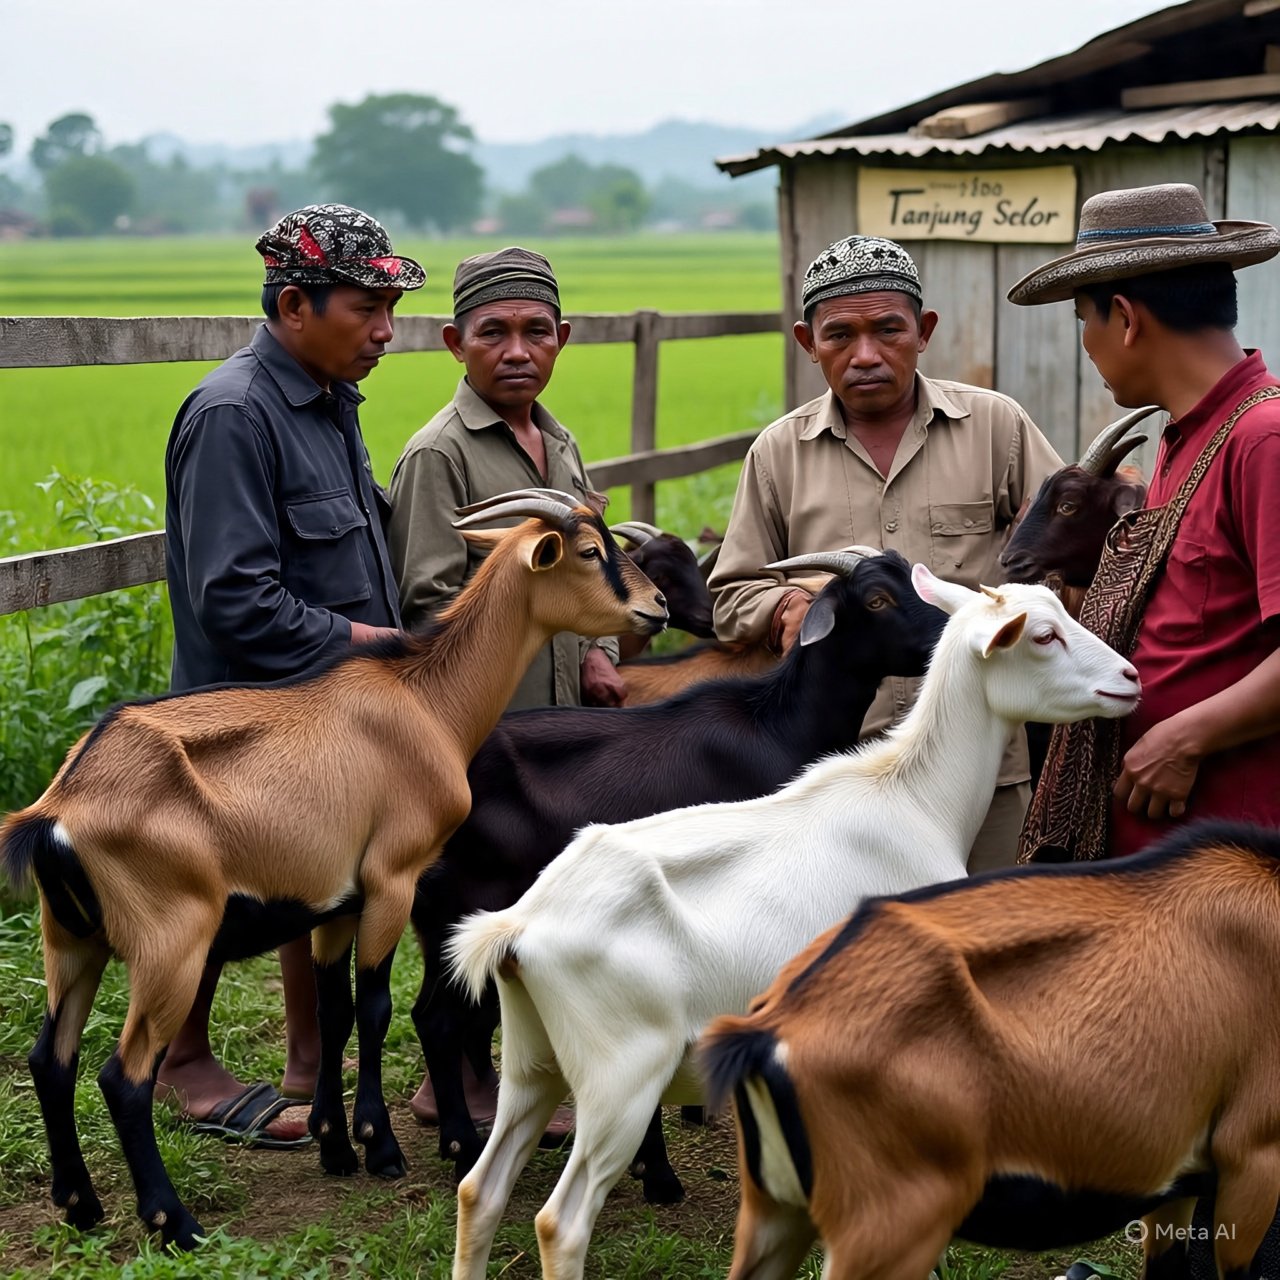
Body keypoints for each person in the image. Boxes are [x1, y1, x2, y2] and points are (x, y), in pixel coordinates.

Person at [1012, 182, 1280, 1280]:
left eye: (1084, 320)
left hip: (1234, 875)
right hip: (1170, 868)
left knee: (1245, 1135)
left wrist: (1185, 735)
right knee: (1180, 1130)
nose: (1085, 346)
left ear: (1123, 316)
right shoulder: (1182, 444)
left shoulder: (1262, 438)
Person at [159, 203, 421, 1146]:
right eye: (367, 308)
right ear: (294, 305)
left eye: (390, 310)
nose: (385, 331)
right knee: (216, 888)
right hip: (245, 716)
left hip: (323, 708)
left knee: (315, 879)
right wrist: (370, 642)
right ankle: (182, 1062)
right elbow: (234, 600)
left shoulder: (328, 401)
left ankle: (311, 1059)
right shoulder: (235, 415)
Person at [709, 234, 1061, 874]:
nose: (865, 355)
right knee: (847, 933)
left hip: (980, 768)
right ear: (808, 342)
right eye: (839, 335)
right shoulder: (779, 454)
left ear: (923, 331)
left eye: (888, 330)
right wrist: (787, 608)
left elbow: (1069, 554)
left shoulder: (996, 428)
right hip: (836, 777)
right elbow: (733, 594)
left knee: (991, 920)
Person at [386, 245, 618, 1131]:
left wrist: (598, 652)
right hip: (484, 730)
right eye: (493, 332)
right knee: (471, 894)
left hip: (558, 729)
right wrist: (531, 629)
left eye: (535, 331)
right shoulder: (439, 456)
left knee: (540, 892)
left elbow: (590, 574)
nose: (516, 350)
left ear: (563, 338)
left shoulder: (559, 444)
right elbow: (427, 603)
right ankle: (451, 1073)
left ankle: (530, 1068)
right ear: (456, 343)